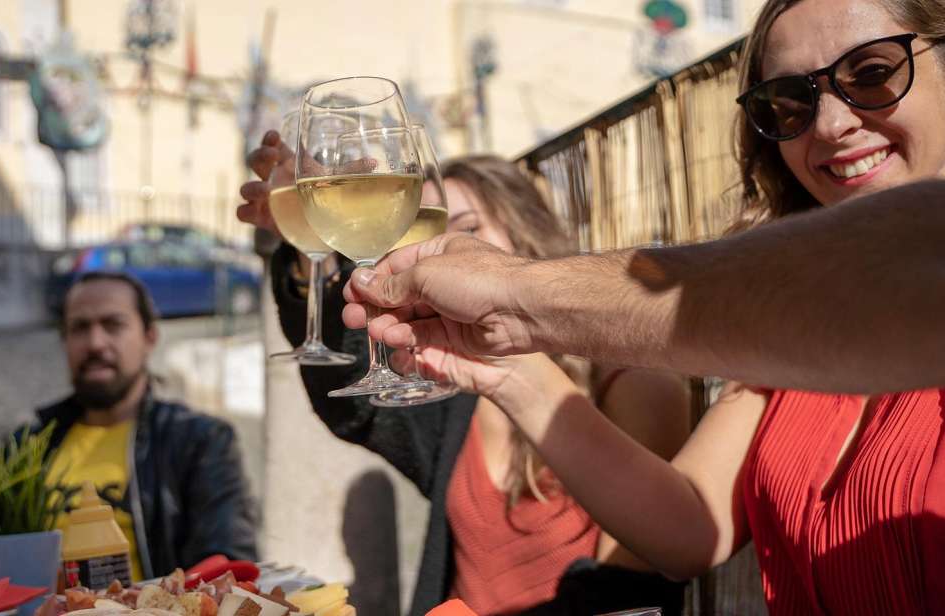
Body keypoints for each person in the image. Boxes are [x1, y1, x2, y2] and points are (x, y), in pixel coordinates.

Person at [356, 1, 945, 613]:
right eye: (791, 102)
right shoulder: (790, 341)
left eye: (873, 73)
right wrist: (512, 370)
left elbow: (921, 252)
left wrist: (515, 293)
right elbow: (692, 527)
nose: (828, 124)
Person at [241, 152, 690, 615]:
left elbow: (632, 588)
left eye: (468, 230)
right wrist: (310, 252)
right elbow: (357, 404)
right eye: (428, 238)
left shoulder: (633, 385)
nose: (445, 255)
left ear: (527, 234)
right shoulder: (462, 385)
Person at [24, 271, 257, 580]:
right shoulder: (27, 448)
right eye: (80, 328)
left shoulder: (200, 442)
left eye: (113, 325)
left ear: (150, 337)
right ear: (64, 340)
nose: (95, 343)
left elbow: (226, 566)